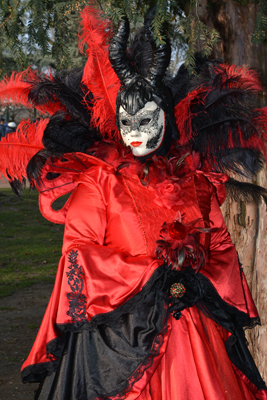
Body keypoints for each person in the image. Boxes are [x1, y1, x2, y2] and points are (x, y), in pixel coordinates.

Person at [1, 7, 267, 400]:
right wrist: (150, 276)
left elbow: (222, 247)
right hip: (122, 330)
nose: (136, 133)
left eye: (147, 119)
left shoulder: (194, 179)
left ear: (166, 118)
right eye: (128, 121)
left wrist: (196, 276)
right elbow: (78, 253)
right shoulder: (101, 179)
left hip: (193, 330)